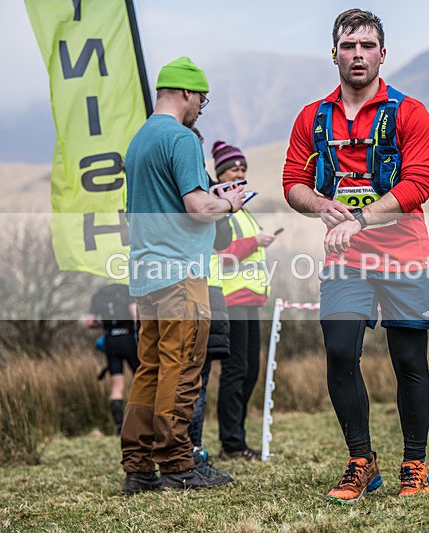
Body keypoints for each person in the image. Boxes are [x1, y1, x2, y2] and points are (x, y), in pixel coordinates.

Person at [282, 9, 429, 503]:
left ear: (382, 54)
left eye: (367, 46)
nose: (357, 55)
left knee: (408, 360)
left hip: (404, 254)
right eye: (348, 46)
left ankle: (414, 465)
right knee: (340, 351)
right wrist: (322, 205)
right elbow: (292, 184)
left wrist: (359, 219)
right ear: (334, 53)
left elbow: (420, 182)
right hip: (345, 260)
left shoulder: (410, 112)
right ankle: (361, 462)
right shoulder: (313, 117)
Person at [120, 56, 245, 495]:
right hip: (181, 274)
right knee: (183, 366)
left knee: (149, 369)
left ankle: (137, 467)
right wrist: (231, 203)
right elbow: (197, 207)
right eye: (201, 101)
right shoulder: (182, 138)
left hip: (146, 273)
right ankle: (177, 463)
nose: (200, 110)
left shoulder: (139, 140)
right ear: (187, 94)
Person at [211, 140, 276, 461]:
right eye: (233, 167)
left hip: (251, 299)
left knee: (250, 370)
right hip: (230, 297)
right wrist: (255, 241)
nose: (240, 171)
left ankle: (238, 437)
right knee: (235, 370)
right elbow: (219, 253)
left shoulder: (242, 208)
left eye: (243, 167)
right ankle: (231, 444)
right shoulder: (219, 205)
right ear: (220, 171)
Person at [186, 127, 233, 482]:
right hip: (197, 284)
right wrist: (226, 205)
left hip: (155, 281)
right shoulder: (193, 180)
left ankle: (157, 456)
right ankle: (189, 453)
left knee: (168, 374)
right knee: (195, 377)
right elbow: (222, 238)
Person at [85, 283, 140, 435]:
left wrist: (105, 324)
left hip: (111, 341)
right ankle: (142, 421)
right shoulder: (127, 290)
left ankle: (119, 427)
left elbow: (89, 322)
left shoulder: (98, 294)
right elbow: (135, 315)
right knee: (142, 380)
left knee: (116, 386)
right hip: (128, 339)